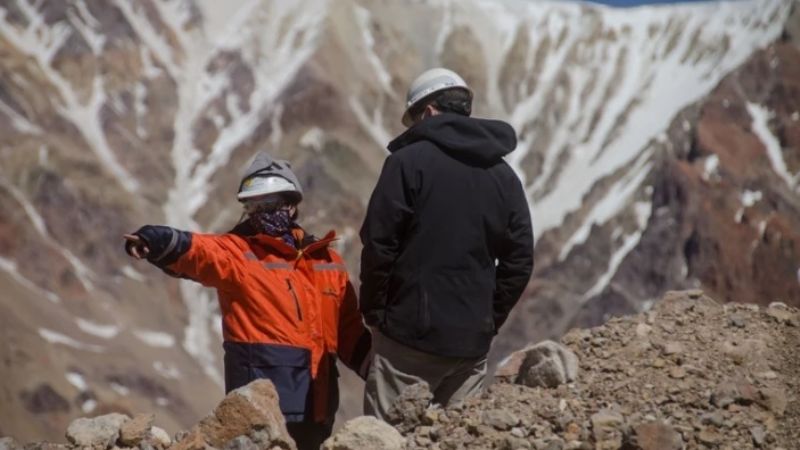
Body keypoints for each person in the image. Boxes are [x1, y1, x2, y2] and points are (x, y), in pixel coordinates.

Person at [123, 152, 371, 449]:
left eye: (268, 204)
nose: (260, 212)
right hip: (257, 421)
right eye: (252, 205)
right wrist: (155, 240)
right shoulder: (239, 254)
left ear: (291, 205)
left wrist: (377, 369)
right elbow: (200, 251)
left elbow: (349, 332)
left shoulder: (327, 261)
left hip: (318, 412)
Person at [359, 68, 534, 419]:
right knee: (457, 437)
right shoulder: (504, 177)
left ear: (428, 113)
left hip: (407, 340)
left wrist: (376, 313)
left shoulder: (406, 163)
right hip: (470, 345)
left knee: (385, 438)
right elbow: (519, 261)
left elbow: (379, 245)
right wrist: (488, 319)